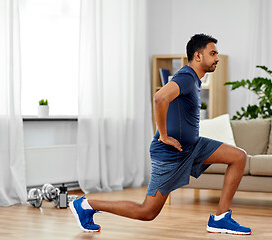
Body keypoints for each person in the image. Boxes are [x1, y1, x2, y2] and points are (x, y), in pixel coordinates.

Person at [70, 33, 252, 235]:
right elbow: (159, 98)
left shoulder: (194, 80)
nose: (217, 58)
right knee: (147, 212)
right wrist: (163, 136)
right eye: (213, 53)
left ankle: (220, 218)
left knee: (238, 157)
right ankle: (86, 204)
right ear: (198, 56)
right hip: (171, 152)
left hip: (192, 146)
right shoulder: (186, 77)